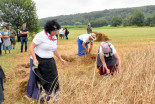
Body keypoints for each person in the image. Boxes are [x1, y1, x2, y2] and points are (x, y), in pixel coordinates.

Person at [26, 20, 66, 101]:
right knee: (35, 78)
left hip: (49, 61)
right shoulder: (40, 36)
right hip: (37, 60)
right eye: (54, 30)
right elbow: (31, 47)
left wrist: (60, 59)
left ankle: (54, 94)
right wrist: (34, 59)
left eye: (57, 30)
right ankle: (32, 94)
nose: (56, 32)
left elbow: (54, 49)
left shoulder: (54, 37)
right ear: (49, 29)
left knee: (53, 76)